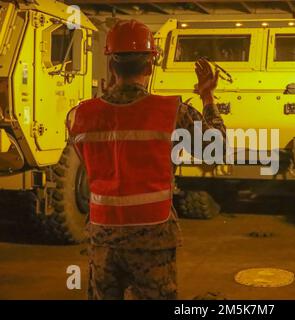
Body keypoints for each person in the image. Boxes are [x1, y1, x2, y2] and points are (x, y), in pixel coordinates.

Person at [66, 19, 226, 300]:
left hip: (103, 238)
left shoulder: (80, 115)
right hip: (152, 238)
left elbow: (87, 160)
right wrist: (207, 96)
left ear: (111, 65)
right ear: (150, 65)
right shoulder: (171, 111)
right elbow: (216, 150)